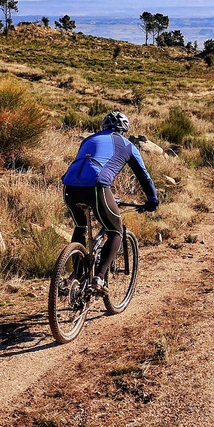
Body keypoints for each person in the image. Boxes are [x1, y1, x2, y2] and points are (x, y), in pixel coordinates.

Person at [61, 110, 158, 294]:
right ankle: (99, 277)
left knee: (80, 227)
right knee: (116, 231)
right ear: (124, 129)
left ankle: (78, 275)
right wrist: (152, 199)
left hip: (69, 187)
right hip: (97, 186)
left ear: (104, 126)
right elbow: (143, 176)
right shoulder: (127, 145)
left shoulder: (88, 139)